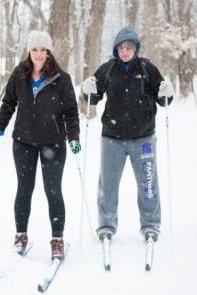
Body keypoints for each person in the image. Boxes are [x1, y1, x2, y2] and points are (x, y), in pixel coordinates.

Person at [0, 30, 81, 261]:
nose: (39, 54)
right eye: (34, 49)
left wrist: (74, 137)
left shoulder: (61, 78)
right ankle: (21, 236)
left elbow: (71, 111)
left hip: (54, 144)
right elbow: (9, 103)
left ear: (49, 52)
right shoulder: (19, 74)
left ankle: (57, 239)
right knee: (24, 189)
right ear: (29, 51)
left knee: (53, 191)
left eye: (43, 49)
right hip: (24, 143)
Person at [81, 26, 174, 243]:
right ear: (116, 50)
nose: (125, 51)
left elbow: (163, 100)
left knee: (148, 184)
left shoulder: (147, 68)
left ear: (135, 49)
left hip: (143, 138)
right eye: (121, 47)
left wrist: (167, 93)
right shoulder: (107, 69)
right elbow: (92, 100)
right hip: (112, 138)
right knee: (108, 185)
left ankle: (150, 224)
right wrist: (87, 90)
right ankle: (106, 225)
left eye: (129, 47)